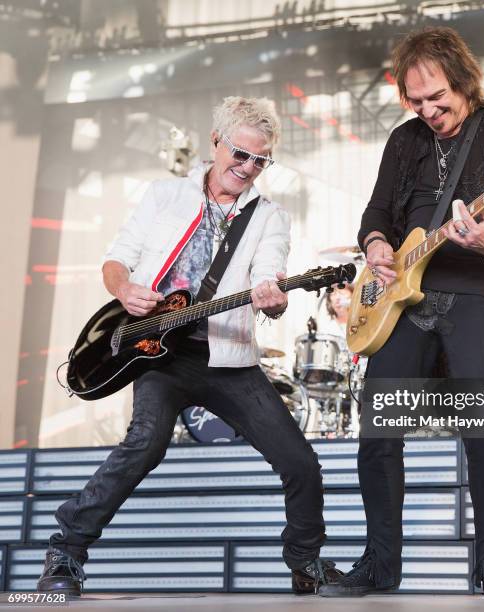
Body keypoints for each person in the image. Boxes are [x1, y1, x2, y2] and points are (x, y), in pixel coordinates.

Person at [37, 96, 341, 596]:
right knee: (145, 444)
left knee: (300, 462)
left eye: (260, 161)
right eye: (239, 155)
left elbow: (269, 276)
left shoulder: (270, 217)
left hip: (228, 358)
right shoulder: (164, 195)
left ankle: (305, 562)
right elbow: (118, 258)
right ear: (215, 142)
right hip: (159, 352)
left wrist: (273, 299)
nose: (247, 169)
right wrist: (123, 289)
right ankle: (65, 553)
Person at [319, 26, 484, 600]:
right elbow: (377, 210)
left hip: (478, 294)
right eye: (415, 101)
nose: (428, 110)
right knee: (378, 433)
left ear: (462, 79)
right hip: (400, 303)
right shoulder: (404, 140)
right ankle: (378, 565)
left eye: (436, 97)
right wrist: (375, 244)